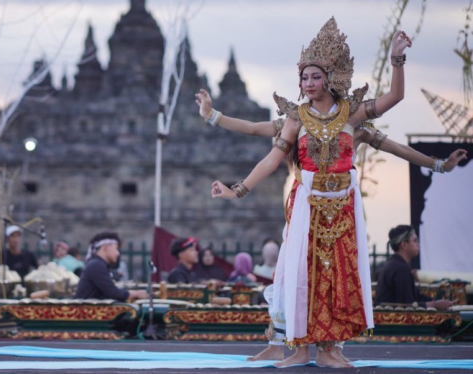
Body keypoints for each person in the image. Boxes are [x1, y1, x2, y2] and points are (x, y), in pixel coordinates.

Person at [198, 18, 414, 368]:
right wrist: (215, 125)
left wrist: (396, 60)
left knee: (338, 275)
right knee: (300, 271)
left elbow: (395, 97)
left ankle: (330, 346)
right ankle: (297, 346)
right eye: (304, 77)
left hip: (343, 208)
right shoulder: (296, 119)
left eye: (315, 76)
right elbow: (261, 141)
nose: (308, 83)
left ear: (329, 78)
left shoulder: (352, 116)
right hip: (307, 207)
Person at [375, 225, 453, 310]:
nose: (418, 244)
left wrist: (437, 302)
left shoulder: (395, 264)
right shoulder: (400, 268)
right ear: (404, 245)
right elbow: (407, 307)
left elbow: (414, 298)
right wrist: (435, 305)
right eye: (415, 241)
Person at [75, 232, 147, 301]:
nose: (118, 253)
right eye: (116, 248)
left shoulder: (98, 264)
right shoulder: (96, 265)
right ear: (105, 247)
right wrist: (136, 293)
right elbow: (113, 293)